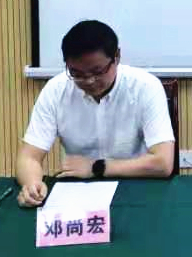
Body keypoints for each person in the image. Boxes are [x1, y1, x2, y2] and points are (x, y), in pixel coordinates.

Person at [16, 20, 175, 207]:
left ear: (117, 57)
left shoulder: (145, 87)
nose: (89, 81)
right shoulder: (56, 90)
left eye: (98, 71)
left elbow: (163, 163)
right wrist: (32, 184)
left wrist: (96, 167)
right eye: (77, 74)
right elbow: (29, 157)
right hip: (77, 195)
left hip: (137, 189)